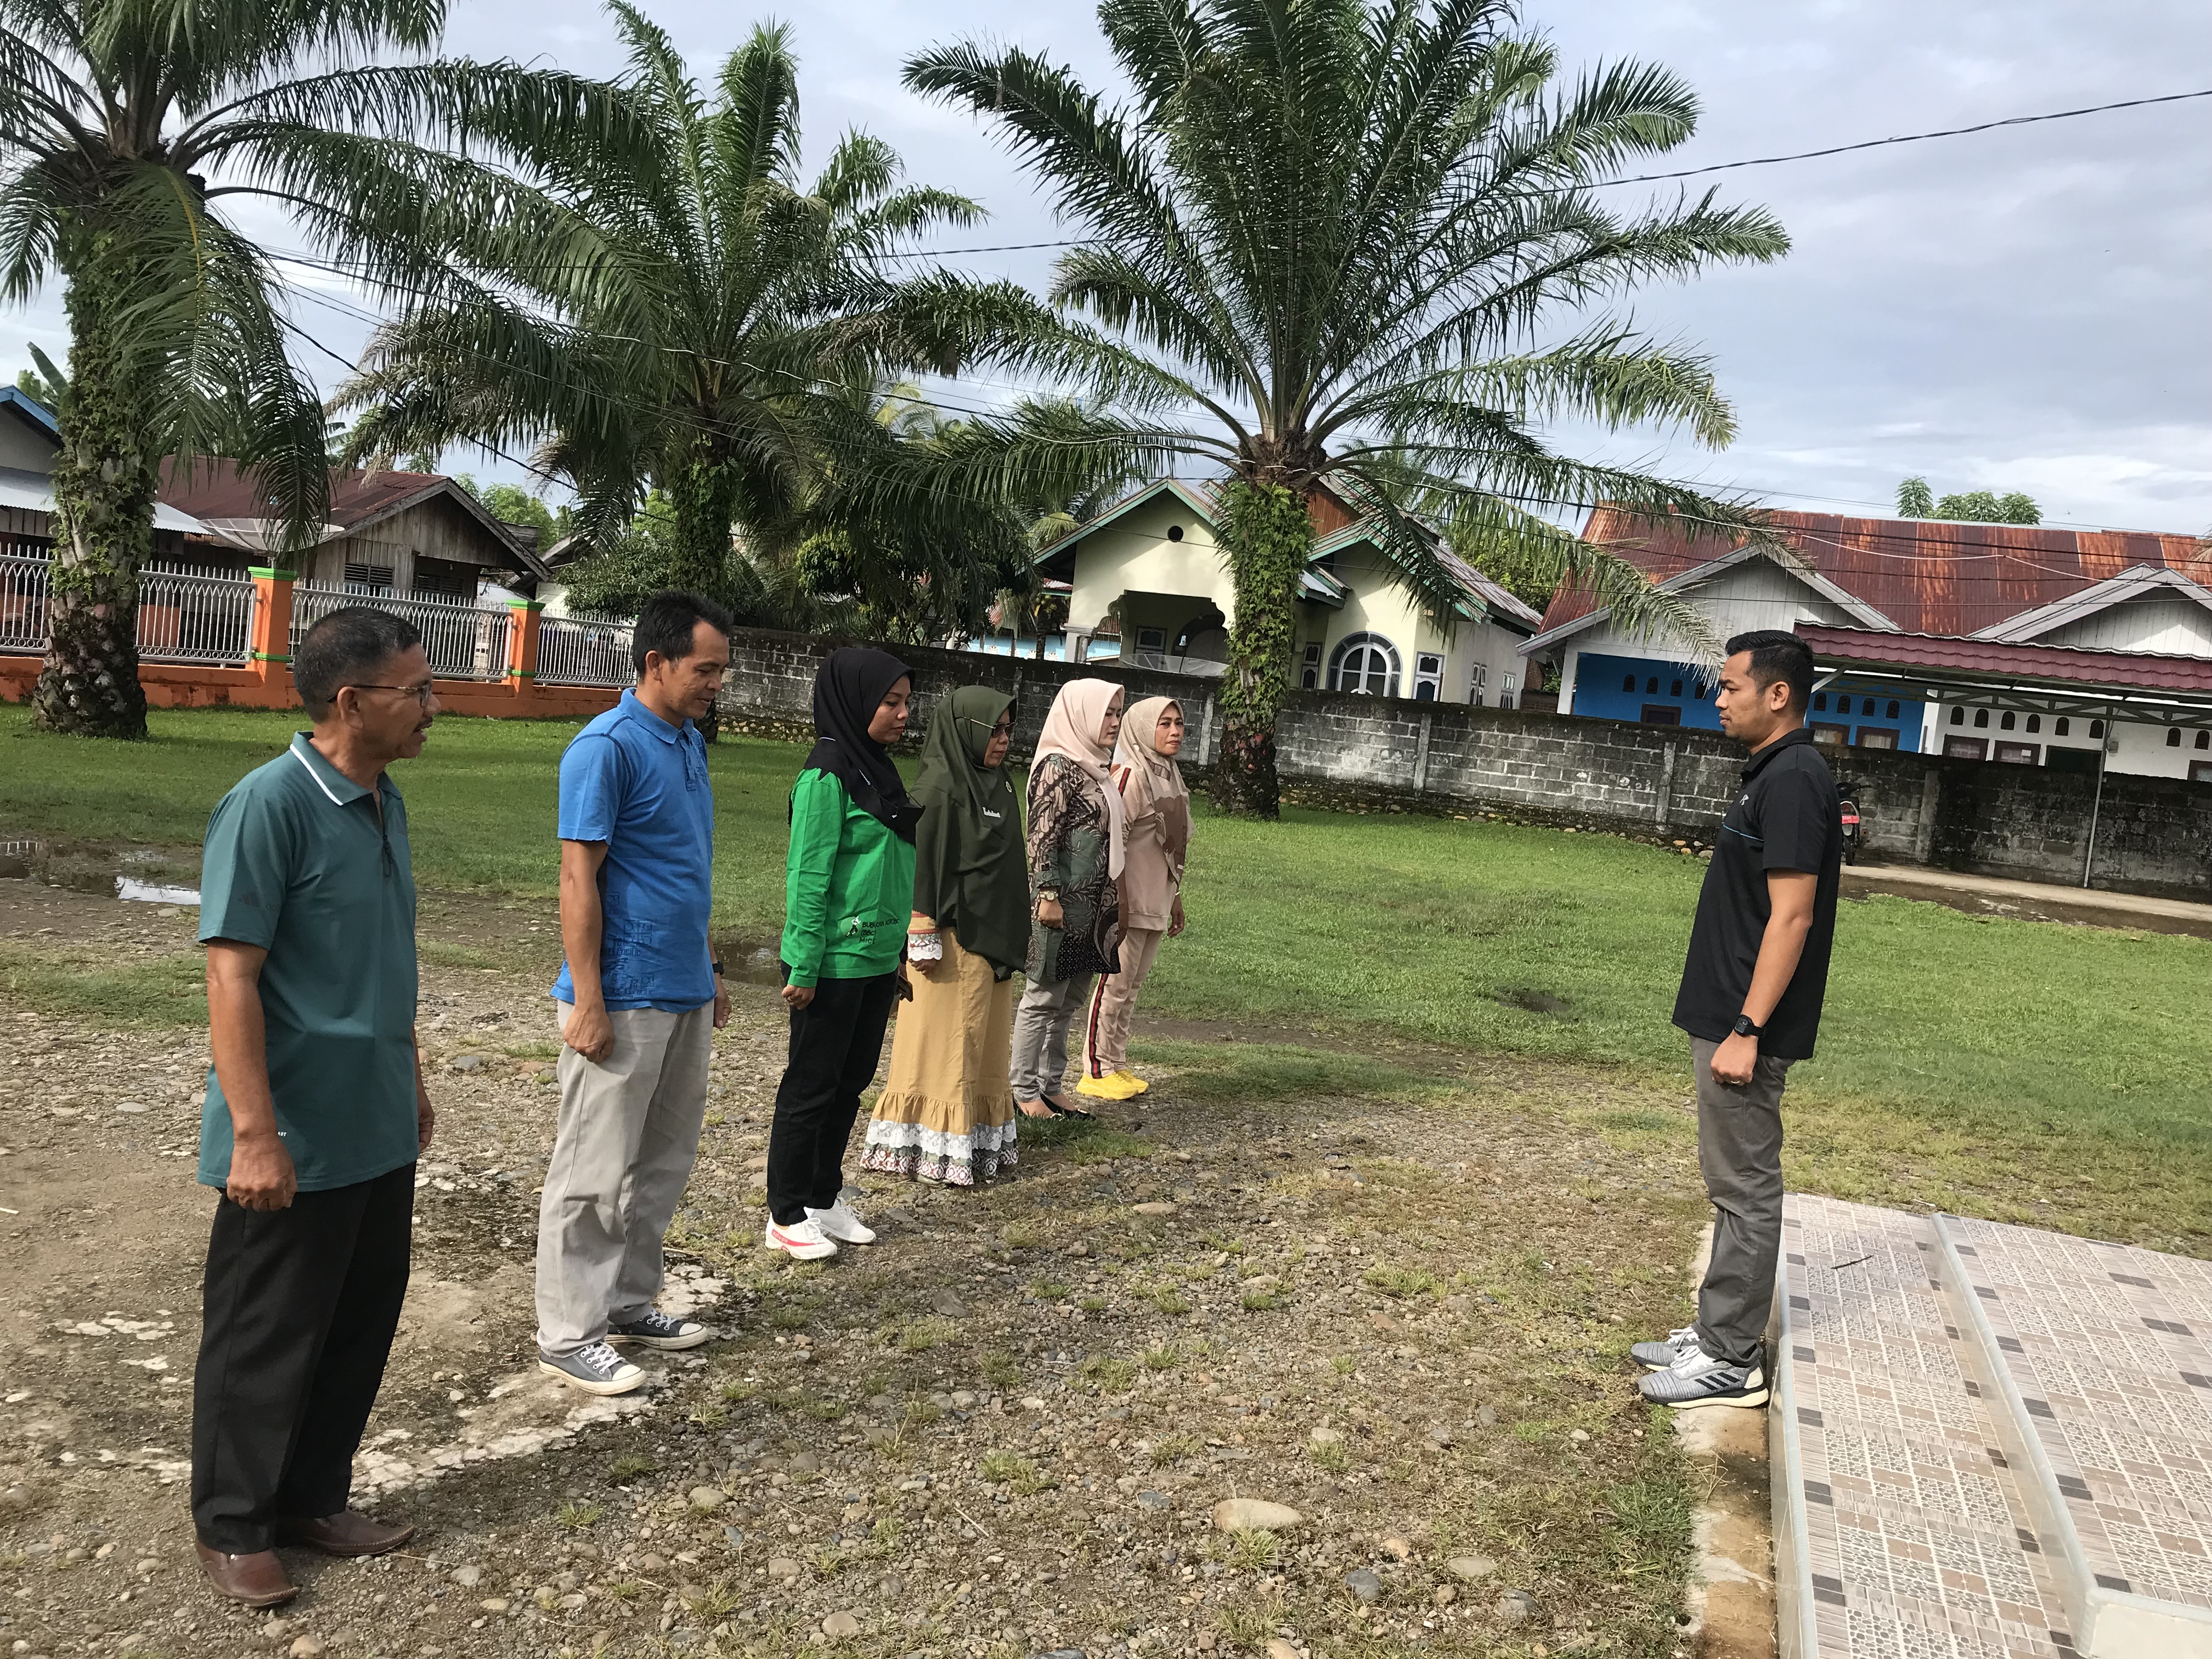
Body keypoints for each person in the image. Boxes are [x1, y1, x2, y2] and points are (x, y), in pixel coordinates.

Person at [189, 608, 440, 1608]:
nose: (433, 706)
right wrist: (255, 1132)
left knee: (358, 1317)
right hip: (293, 1128)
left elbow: (384, 958)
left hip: (373, 1117)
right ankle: (233, 1523)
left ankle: (311, 1496)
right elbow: (231, 975)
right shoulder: (269, 805)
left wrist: (412, 1075)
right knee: (266, 1330)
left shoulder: (386, 802)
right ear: (351, 701)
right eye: (415, 691)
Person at [1634, 630, 1842, 1410]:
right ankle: (1716, 1329)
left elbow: (1793, 917)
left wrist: (1748, 1031)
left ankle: (1731, 1360)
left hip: (1745, 1026)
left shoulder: (1794, 781)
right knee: (1729, 1183)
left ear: (1778, 695)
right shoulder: (1772, 774)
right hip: (1727, 1016)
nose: (1718, 700)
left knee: (1746, 1187)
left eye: (1730, 687)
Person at [536, 592, 733, 1397]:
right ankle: (568, 1333)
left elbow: (685, 866)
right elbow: (576, 877)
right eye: (705, 669)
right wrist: (587, 999)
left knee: (663, 1159)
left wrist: (710, 968)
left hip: (682, 987)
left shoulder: (687, 743)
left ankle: (627, 1300)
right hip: (622, 993)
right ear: (655, 662)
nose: (716, 683)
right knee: (593, 1167)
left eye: (722, 670)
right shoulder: (605, 748)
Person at [765, 648, 918, 1259]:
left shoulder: (877, 771)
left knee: (850, 1084)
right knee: (811, 1087)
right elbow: (808, 877)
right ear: (855, 703)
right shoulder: (826, 775)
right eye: (891, 702)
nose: (903, 714)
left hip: (875, 958)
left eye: (907, 702)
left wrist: (897, 952)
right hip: (830, 964)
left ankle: (822, 1197)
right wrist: (803, 965)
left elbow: (893, 873)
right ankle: (785, 1212)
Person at [861, 688, 1028, 1184]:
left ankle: (975, 1139)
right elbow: (924, 862)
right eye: (994, 730)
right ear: (966, 731)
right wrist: (922, 929)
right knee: (950, 1042)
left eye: (1008, 730)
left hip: (993, 934)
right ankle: (932, 1146)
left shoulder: (997, 782)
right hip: (956, 938)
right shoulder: (940, 787)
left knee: (983, 1042)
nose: (1003, 740)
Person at [1010, 679, 1125, 1119]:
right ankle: (1023, 1091)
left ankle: (1051, 1086)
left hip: (1093, 909)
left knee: (1070, 1001)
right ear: (1081, 714)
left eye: (1118, 713)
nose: (1114, 722)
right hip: (1060, 906)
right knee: (1043, 998)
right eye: (1107, 713)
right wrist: (1048, 895)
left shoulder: (1095, 768)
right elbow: (1043, 837)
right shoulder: (1058, 766)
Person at [1078, 696, 1189, 1101]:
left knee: (1132, 987)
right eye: (1165, 723)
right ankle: (1095, 1068)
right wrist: (1118, 901)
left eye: (1179, 723)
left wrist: (1175, 897)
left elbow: (1173, 846)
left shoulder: (1171, 776)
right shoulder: (1130, 775)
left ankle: (1117, 1062)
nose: (1175, 731)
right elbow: (1113, 841)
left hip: (1156, 900)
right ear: (1143, 728)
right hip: (1129, 901)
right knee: (1114, 985)